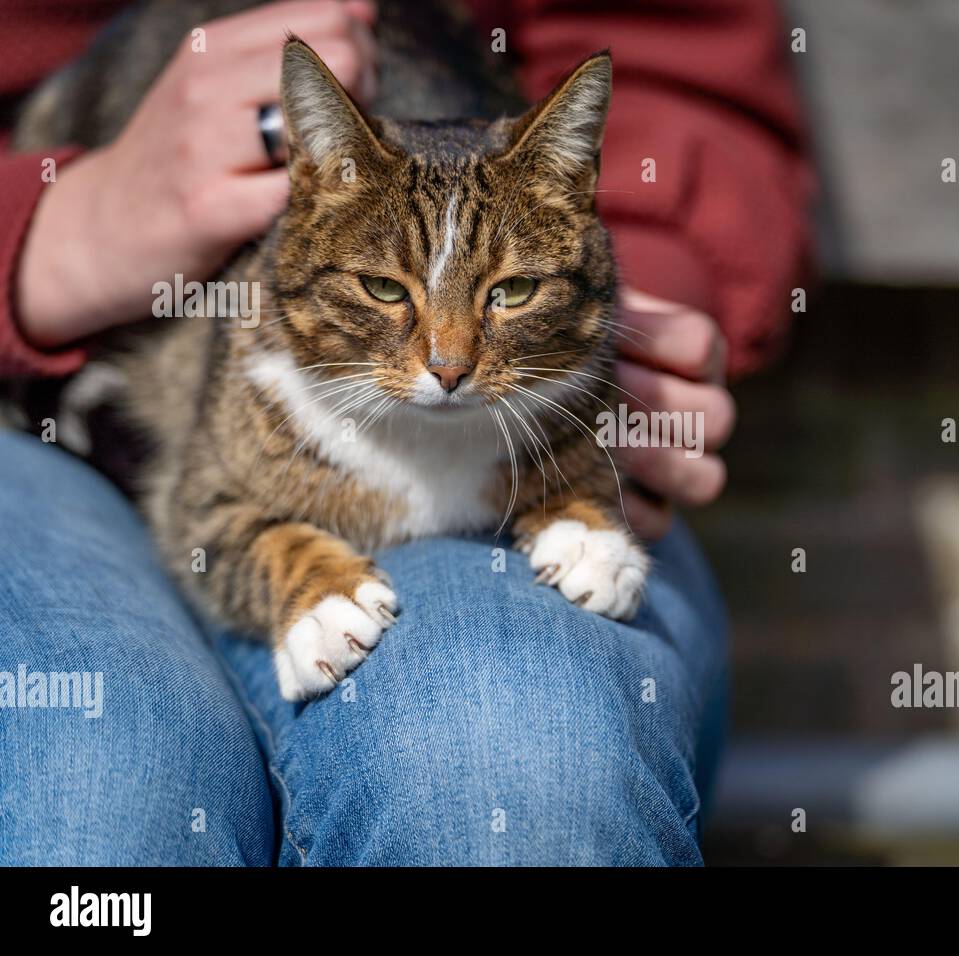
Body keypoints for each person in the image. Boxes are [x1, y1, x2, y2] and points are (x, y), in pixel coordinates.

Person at [0, 0, 811, 865]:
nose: (448, 360)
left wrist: (635, 312)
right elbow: (214, 513)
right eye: (393, 296)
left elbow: (678, 74)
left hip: (523, 349)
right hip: (36, 401)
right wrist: (36, 228)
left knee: (516, 753)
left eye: (501, 298)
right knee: (92, 780)